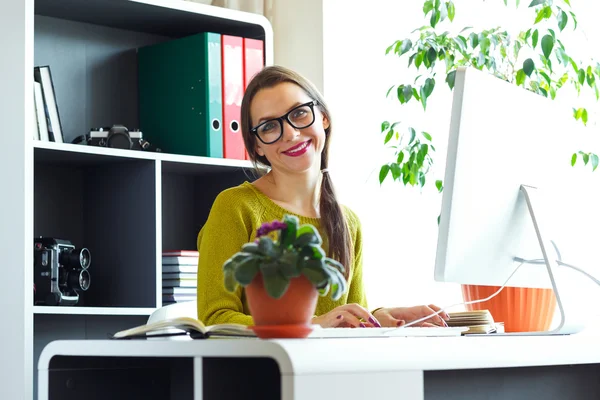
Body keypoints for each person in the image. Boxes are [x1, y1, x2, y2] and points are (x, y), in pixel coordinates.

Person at [196, 65, 449, 329]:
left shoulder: (349, 223)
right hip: (264, 369)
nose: (291, 134)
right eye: (270, 126)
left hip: (328, 369)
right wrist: (314, 324)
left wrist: (381, 319)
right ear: (257, 144)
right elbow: (215, 320)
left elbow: (347, 323)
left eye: (300, 113)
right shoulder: (235, 207)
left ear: (323, 117)